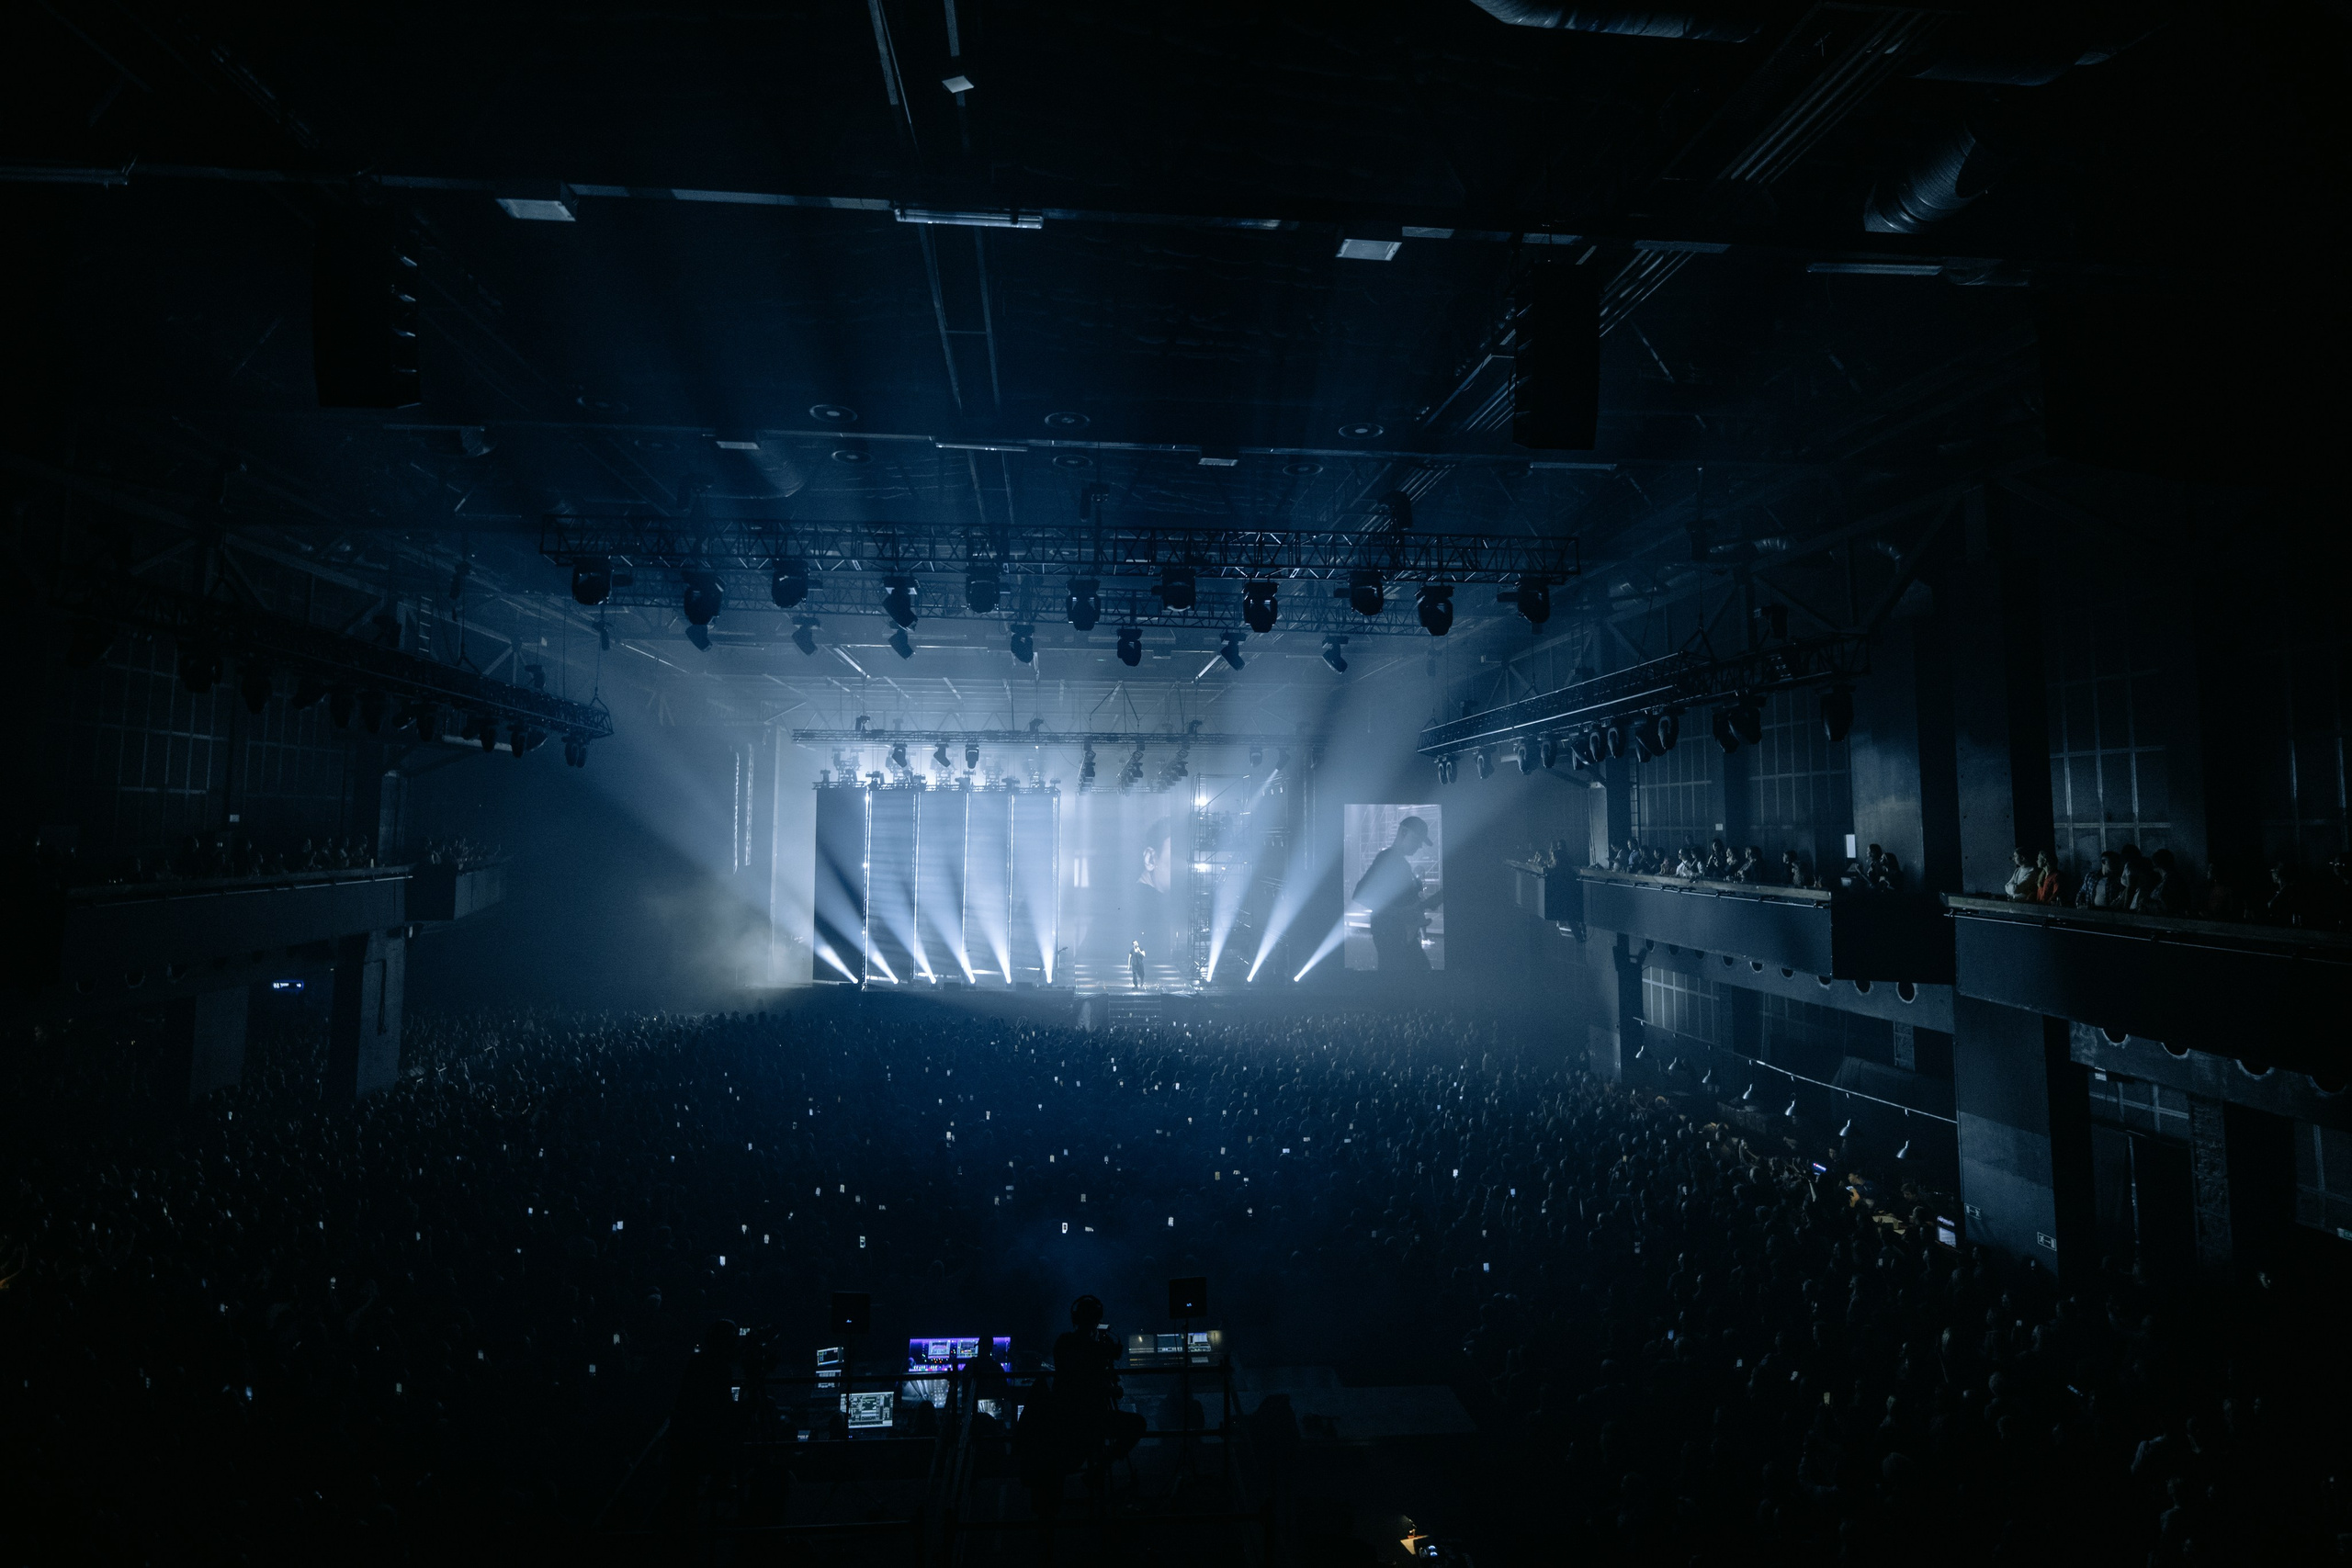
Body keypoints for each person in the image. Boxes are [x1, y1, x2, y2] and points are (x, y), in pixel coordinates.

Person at [1353, 816, 1438, 974]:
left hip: (1399, 934)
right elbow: (1360, 894)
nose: (1420, 845)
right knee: (1406, 977)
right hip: (1391, 934)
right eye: (1417, 839)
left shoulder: (1400, 862)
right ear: (1403, 833)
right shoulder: (1388, 858)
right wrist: (1398, 913)